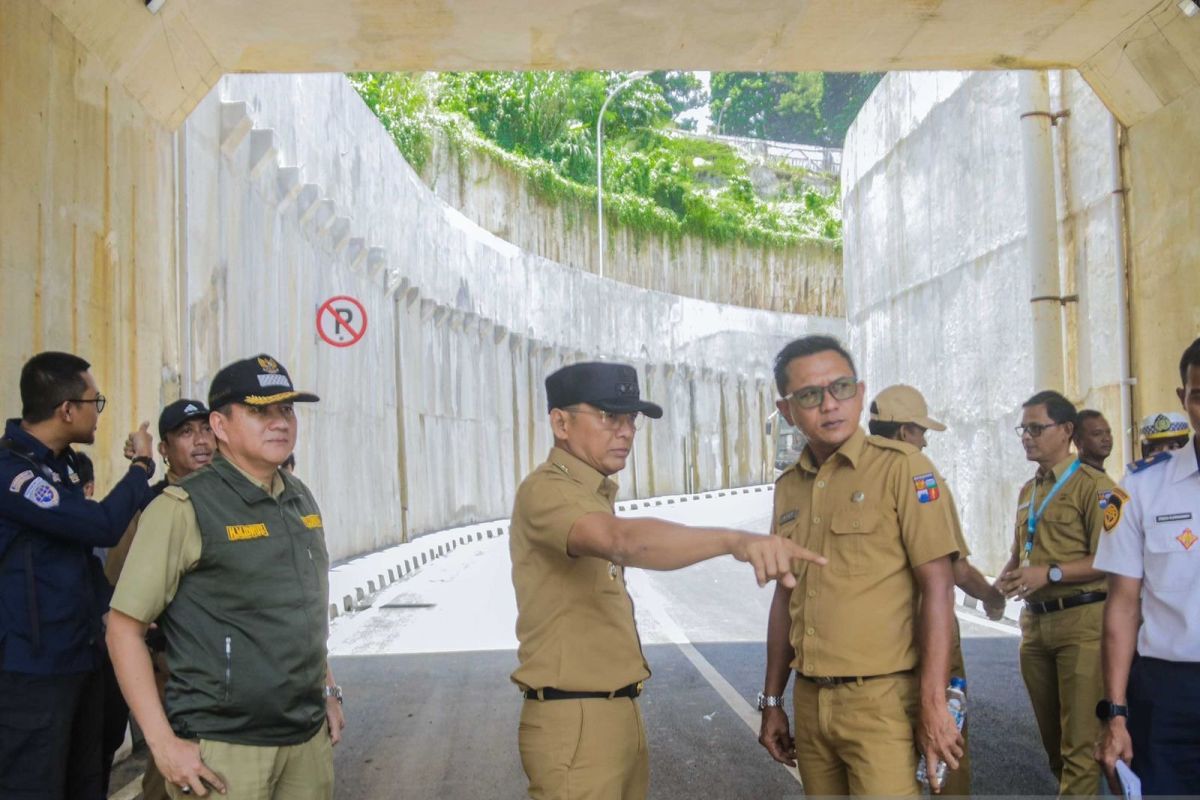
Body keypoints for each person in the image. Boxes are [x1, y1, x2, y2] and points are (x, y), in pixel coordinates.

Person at [511, 361, 825, 800]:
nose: (625, 431)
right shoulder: (547, 491)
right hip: (575, 721)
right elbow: (622, 541)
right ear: (560, 422)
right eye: (607, 416)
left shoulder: (590, 493)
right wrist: (734, 541)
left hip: (614, 714)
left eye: (631, 420)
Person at [107, 355, 345, 800]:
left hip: (305, 738)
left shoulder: (299, 498)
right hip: (223, 748)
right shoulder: (184, 507)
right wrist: (162, 744)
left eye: (287, 411)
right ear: (219, 424)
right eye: (260, 411)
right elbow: (123, 629)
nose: (280, 423)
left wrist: (328, 689)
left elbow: (302, 613)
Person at [758, 337, 963, 797]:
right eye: (810, 395)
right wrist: (773, 699)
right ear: (787, 410)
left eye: (842, 388)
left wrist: (933, 702)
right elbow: (785, 596)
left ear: (860, 390)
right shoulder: (789, 487)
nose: (830, 405)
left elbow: (939, 588)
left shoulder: (903, 469)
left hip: (881, 702)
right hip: (810, 703)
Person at [0, 351, 155, 800]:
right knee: (34, 785)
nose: (97, 412)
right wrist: (141, 469)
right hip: (34, 669)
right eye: (95, 401)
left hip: (80, 656)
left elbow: (78, 553)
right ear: (67, 409)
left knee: (86, 780)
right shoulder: (14, 476)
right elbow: (100, 525)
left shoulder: (64, 464)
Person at [868, 384, 1009, 795]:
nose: (925, 439)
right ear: (903, 431)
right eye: (920, 430)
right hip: (927, 634)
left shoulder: (849, 475)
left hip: (874, 647)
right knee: (946, 742)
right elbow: (953, 567)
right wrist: (991, 595)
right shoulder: (918, 470)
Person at [1094, 336, 1200, 794]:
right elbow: (1121, 605)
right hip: (1167, 694)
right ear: (1184, 398)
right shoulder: (1140, 488)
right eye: (1199, 394)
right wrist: (1115, 714)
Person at [996, 390, 1114, 797]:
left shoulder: (1097, 487)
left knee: (1080, 750)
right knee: (1055, 750)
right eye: (1023, 429)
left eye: (1036, 428)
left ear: (1066, 431)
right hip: (1035, 627)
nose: (1027, 437)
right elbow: (1020, 552)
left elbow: (1113, 558)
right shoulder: (1029, 490)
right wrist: (1003, 582)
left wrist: (1052, 572)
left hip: (1082, 626)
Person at [101, 399, 215, 799]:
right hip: (175, 667)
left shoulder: (230, 499)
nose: (201, 441)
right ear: (165, 449)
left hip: (229, 671)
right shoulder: (150, 506)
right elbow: (118, 581)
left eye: (205, 429)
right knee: (172, 775)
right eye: (186, 433)